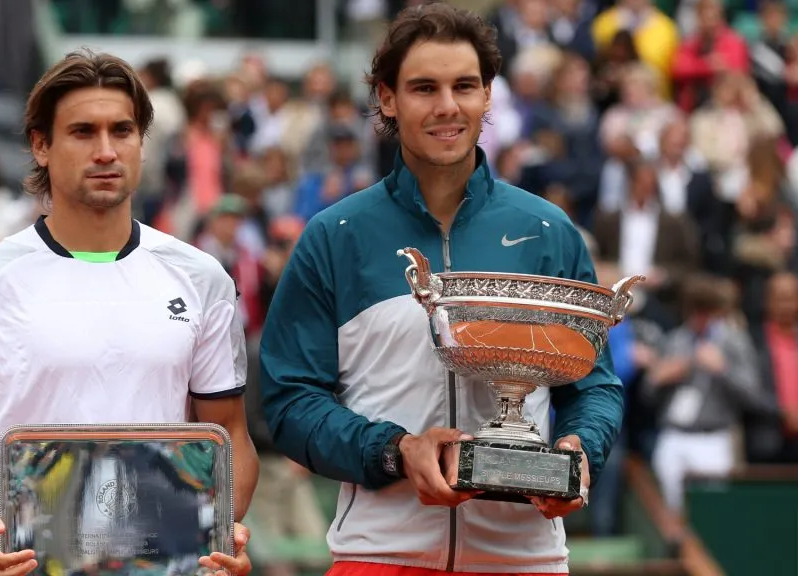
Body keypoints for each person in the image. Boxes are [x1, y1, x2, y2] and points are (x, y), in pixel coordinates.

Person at [259, 4, 623, 576]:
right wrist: (394, 451)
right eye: (424, 87)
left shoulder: (550, 232)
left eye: (464, 86)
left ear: (487, 96)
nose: (447, 106)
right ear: (387, 98)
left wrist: (579, 450)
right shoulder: (335, 236)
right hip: (378, 556)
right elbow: (290, 400)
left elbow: (593, 385)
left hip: (524, 558)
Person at [0, 50, 258, 576]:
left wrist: (218, 530)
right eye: (82, 132)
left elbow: (230, 433)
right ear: (41, 145)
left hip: (164, 564)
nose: (106, 151)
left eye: (122, 131)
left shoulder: (203, 277)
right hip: (30, 565)